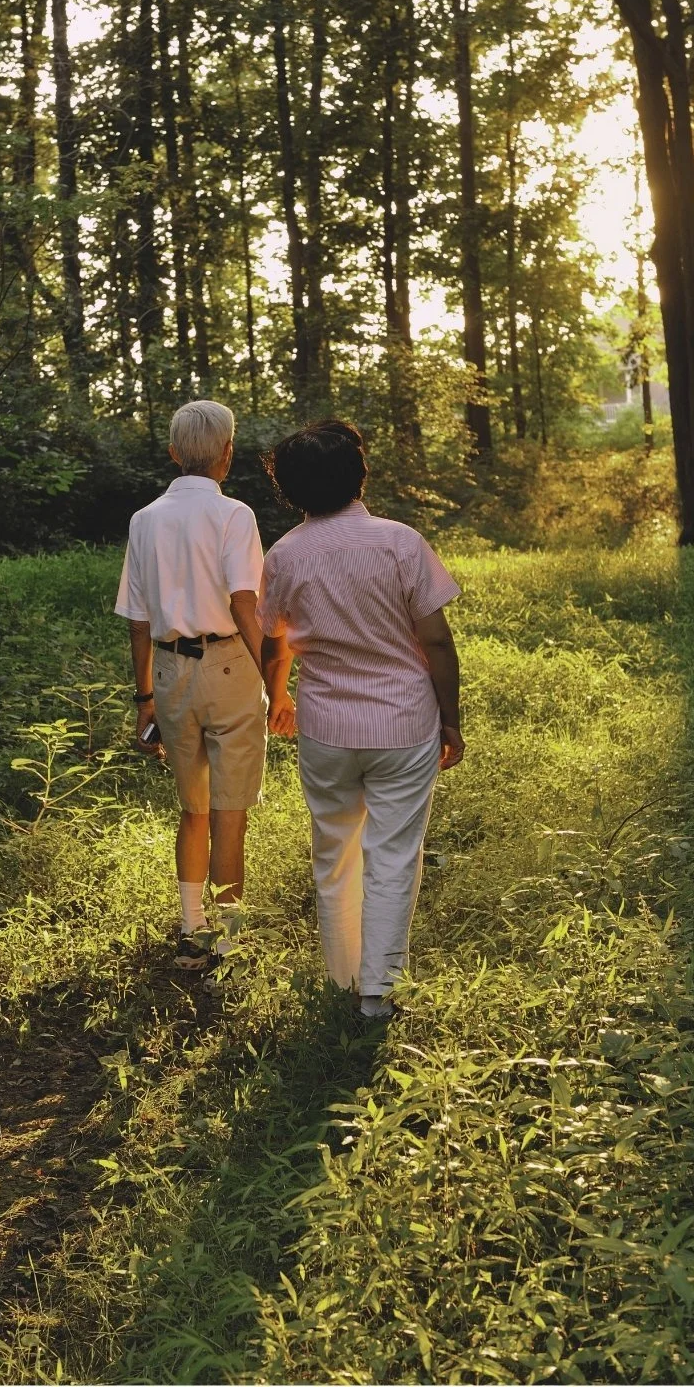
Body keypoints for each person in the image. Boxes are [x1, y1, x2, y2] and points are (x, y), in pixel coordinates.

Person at [257, 420, 463, 1020]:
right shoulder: (400, 542)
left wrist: (279, 700)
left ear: (290, 489)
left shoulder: (285, 554)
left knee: (333, 850)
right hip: (403, 724)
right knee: (394, 854)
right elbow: (438, 643)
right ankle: (377, 993)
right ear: (358, 475)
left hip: (325, 727)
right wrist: (450, 719)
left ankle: (341, 976)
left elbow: (275, 640)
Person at [115, 400, 296, 972]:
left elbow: (139, 620)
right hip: (227, 665)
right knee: (229, 811)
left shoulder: (144, 518)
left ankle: (192, 926)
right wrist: (273, 678)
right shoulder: (234, 515)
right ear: (227, 454)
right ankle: (228, 937)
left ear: (173, 453)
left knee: (192, 807)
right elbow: (246, 603)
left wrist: (144, 697)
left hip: (169, 673)